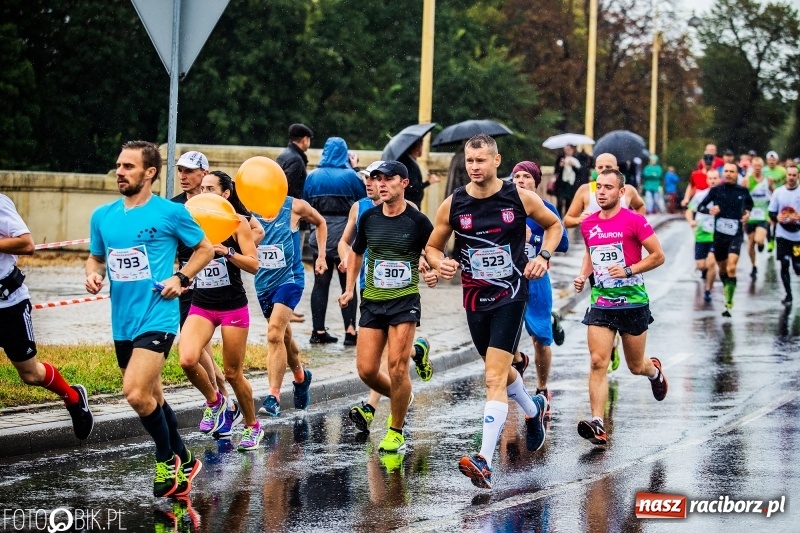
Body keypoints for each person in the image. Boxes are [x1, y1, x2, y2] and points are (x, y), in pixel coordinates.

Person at [425, 135, 562, 489]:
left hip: (511, 295)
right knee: (497, 370)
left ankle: (484, 460)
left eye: (481, 160)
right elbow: (433, 246)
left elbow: (554, 226)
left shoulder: (519, 197)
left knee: (492, 378)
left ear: (496, 161)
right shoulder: (454, 203)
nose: (474, 167)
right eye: (470, 161)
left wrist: (543, 257)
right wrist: (439, 263)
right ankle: (533, 409)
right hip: (475, 298)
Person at [86, 140, 214, 497]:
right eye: (119, 165)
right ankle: (186, 458)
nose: (120, 172)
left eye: (128, 166)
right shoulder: (103, 216)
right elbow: (96, 257)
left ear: (150, 172)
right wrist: (93, 273)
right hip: (122, 321)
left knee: (135, 392)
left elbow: (204, 249)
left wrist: (181, 277)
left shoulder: (170, 213)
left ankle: (165, 459)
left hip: (158, 315)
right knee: (152, 396)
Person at [338, 160, 436, 453]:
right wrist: (349, 289)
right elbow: (356, 252)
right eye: (377, 178)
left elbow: (433, 249)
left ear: (404, 183)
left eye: (388, 178)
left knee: (396, 367)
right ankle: (401, 397)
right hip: (372, 301)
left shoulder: (418, 220)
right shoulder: (369, 217)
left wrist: (432, 269)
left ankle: (396, 431)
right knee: (367, 370)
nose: (381, 184)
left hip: (404, 302)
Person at [573, 168, 668, 445]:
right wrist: (582, 275)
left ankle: (654, 371)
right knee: (597, 362)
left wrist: (629, 270)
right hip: (601, 302)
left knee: (635, 366)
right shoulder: (589, 224)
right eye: (598, 187)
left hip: (633, 302)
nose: (601, 192)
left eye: (608, 187)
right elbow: (590, 254)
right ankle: (597, 422)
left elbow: (658, 256)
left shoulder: (634, 220)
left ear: (621, 192)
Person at [177, 171, 263, 451]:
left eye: (210, 189)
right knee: (187, 359)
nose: (204, 193)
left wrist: (227, 252)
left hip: (232, 307)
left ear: (226, 194)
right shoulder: (192, 222)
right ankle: (216, 402)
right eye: (202, 189)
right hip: (202, 304)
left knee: (233, 373)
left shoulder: (237, 223)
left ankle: (252, 426)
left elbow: (254, 265)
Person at [0, 194, 94, 441]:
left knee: (31, 374)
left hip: (9, 305)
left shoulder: (0, 204)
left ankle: (73, 398)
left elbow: (27, 244)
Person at [171, 151, 249, 438]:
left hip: (225, 294)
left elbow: (253, 231)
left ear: (204, 173)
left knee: (220, 362)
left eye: (189, 171)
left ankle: (225, 403)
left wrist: (231, 252)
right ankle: (221, 402)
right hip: (189, 284)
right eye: (180, 170)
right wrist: (178, 274)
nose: (183, 176)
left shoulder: (222, 207)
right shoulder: (175, 206)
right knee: (193, 350)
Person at [254, 190, 328, 418]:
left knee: (274, 334)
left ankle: (273, 398)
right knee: (283, 337)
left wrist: (321, 256)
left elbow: (320, 222)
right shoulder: (248, 209)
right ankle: (301, 378)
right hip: (263, 283)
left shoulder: (294, 206)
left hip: (290, 279)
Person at [509, 161, 569, 420]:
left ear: (536, 182)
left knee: (541, 339)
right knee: (504, 335)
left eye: (526, 176)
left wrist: (533, 238)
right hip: (509, 279)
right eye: (516, 176)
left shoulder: (545, 209)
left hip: (536, 279)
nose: (520, 181)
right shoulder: (503, 207)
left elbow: (563, 243)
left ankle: (542, 388)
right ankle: (519, 361)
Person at [303, 137, 366, 344]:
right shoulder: (351, 176)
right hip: (344, 235)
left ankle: (318, 331)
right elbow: (363, 201)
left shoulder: (312, 176)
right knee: (347, 284)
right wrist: (354, 168)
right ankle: (350, 330)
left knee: (320, 284)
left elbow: (305, 205)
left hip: (319, 235)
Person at [695, 163, 754, 317]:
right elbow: (700, 207)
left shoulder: (742, 191)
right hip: (719, 236)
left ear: (736, 174)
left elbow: (750, 205)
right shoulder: (716, 190)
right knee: (722, 269)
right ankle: (728, 287)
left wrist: (747, 214)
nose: (728, 174)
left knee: (731, 267)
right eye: (726, 171)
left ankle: (728, 301)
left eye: (731, 171)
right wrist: (710, 210)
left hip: (736, 235)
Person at [277, 124, 314, 324]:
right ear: (305, 139)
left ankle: (287, 307)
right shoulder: (296, 160)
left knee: (286, 263)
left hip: (281, 218)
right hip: (290, 219)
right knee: (291, 264)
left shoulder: (285, 156)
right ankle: (286, 308)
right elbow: (288, 190)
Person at [562, 153, 646, 229]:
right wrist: (579, 220)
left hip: (623, 241)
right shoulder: (585, 189)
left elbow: (640, 206)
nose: (604, 170)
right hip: (595, 240)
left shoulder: (627, 190)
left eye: (608, 167)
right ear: (595, 169)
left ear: (617, 169)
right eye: (600, 167)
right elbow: (566, 221)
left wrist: (635, 226)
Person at [686, 169, 721, 302]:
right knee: (701, 265)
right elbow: (689, 211)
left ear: (719, 179)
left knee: (711, 262)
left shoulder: (723, 195)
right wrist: (691, 221)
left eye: (715, 178)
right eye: (710, 178)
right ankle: (705, 272)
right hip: (701, 234)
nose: (713, 181)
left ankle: (708, 290)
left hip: (716, 235)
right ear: (707, 180)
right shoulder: (700, 195)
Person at [768, 164, 800, 305]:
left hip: (797, 237)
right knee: (784, 262)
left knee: (797, 266)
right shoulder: (778, 192)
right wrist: (777, 217)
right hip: (782, 235)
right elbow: (771, 212)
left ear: (798, 176)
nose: (791, 177)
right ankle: (788, 295)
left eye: (794, 175)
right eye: (789, 175)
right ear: (786, 176)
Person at [742, 157, 771, 280]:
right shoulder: (747, 180)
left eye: (759, 166)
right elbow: (741, 196)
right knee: (750, 243)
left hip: (763, 215)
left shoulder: (768, 180)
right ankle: (753, 266)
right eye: (755, 166)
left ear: (762, 167)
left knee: (758, 239)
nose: (757, 168)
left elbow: (774, 193)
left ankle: (761, 243)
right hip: (750, 216)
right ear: (752, 166)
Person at [398, 138, 440, 207]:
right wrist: (429, 182)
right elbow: (412, 187)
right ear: (417, 148)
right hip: (411, 203)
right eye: (421, 146)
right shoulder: (410, 164)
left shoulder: (409, 161)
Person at [277, 124, 314, 201]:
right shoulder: (297, 160)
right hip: (291, 205)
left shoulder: (283, 155)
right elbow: (290, 189)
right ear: (305, 140)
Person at [764, 151, 787, 252]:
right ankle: (770, 241)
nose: (771, 161)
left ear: (776, 160)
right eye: (770, 160)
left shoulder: (782, 171)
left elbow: (787, 182)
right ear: (767, 160)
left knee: (777, 220)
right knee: (768, 220)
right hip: (768, 199)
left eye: (773, 160)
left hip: (780, 198)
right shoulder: (764, 170)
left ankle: (777, 239)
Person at [554, 144, 585, 217]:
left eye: (569, 150)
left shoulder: (575, 159)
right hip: (561, 183)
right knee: (560, 202)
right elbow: (556, 171)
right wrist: (560, 166)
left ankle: (566, 217)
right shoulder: (561, 158)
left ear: (572, 150)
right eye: (566, 150)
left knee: (568, 201)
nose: (567, 151)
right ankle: (558, 217)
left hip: (571, 183)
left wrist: (573, 166)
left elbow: (579, 172)